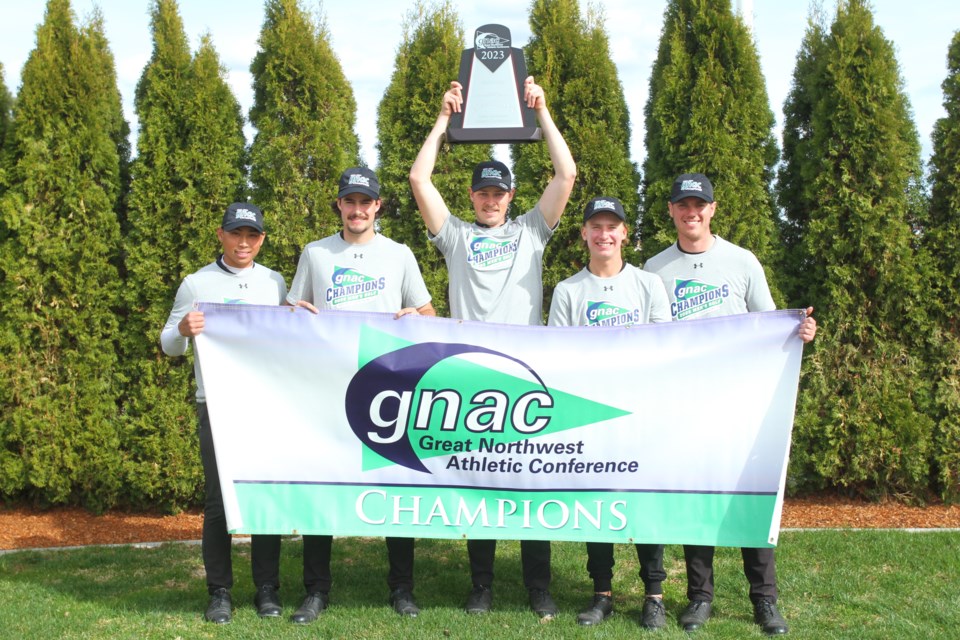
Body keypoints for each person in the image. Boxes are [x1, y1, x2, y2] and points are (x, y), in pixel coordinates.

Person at [409, 76, 576, 619]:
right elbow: (417, 178)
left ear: (509, 196)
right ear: (473, 197)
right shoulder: (454, 235)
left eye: (497, 192)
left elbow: (566, 174)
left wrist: (543, 113)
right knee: (479, 487)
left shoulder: (531, 231)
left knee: (530, 483)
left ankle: (538, 588)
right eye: (481, 192)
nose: (489, 199)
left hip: (527, 374)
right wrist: (441, 122)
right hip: (471, 375)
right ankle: (480, 585)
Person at [643, 173, 817, 636]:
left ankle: (765, 600)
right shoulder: (654, 269)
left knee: (748, 501)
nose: (691, 212)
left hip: (741, 406)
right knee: (697, 503)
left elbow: (771, 321)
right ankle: (700, 598)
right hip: (685, 409)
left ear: (713, 209)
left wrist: (800, 331)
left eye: (699, 204)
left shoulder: (742, 262)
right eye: (683, 204)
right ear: (671, 210)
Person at [286, 167, 435, 622]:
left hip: (387, 392)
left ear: (377, 207)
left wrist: (416, 314)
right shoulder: (316, 254)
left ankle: (402, 589)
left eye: (364, 202)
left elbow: (428, 312)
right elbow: (292, 310)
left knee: (395, 485)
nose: (356, 210)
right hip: (329, 388)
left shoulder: (399, 254)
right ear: (339, 206)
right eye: (349, 202)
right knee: (324, 486)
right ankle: (316, 590)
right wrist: (296, 311)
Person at [546, 195, 672, 630]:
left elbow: (663, 349)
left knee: (644, 506)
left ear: (624, 234)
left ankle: (654, 594)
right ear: (584, 234)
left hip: (639, 414)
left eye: (611, 226)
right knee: (597, 505)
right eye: (595, 227)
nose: (604, 234)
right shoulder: (568, 290)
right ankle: (601, 592)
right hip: (591, 417)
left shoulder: (648, 285)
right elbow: (558, 359)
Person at [160, 203, 288, 624]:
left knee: (265, 498)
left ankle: (267, 588)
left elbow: (289, 338)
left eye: (252, 235)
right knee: (218, 503)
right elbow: (168, 344)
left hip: (263, 407)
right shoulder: (196, 283)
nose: (244, 243)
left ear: (262, 239)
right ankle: (219, 592)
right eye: (236, 234)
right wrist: (182, 331)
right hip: (214, 406)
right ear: (221, 235)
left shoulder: (274, 282)